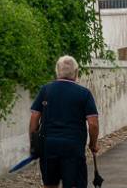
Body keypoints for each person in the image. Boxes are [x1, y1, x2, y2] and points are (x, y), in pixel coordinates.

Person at [30, 55, 99, 188]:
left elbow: (34, 117)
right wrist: (93, 144)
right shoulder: (84, 93)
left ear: (57, 71)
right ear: (76, 72)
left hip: (49, 146)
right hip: (73, 148)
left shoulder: (45, 90)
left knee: (50, 184)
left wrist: (34, 144)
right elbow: (93, 123)